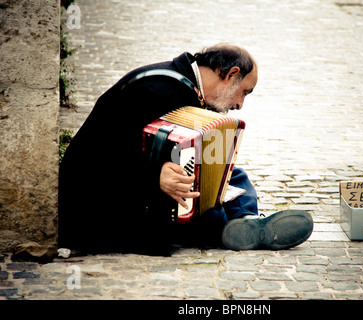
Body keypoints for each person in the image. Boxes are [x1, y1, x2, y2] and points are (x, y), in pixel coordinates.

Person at [58, 44, 313, 256]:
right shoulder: (152, 91)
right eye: (243, 92)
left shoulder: (189, 89)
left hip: (146, 187)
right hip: (101, 209)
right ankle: (231, 225)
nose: (239, 104)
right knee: (206, 215)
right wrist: (154, 176)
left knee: (233, 175)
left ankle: (246, 221)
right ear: (231, 74)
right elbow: (96, 159)